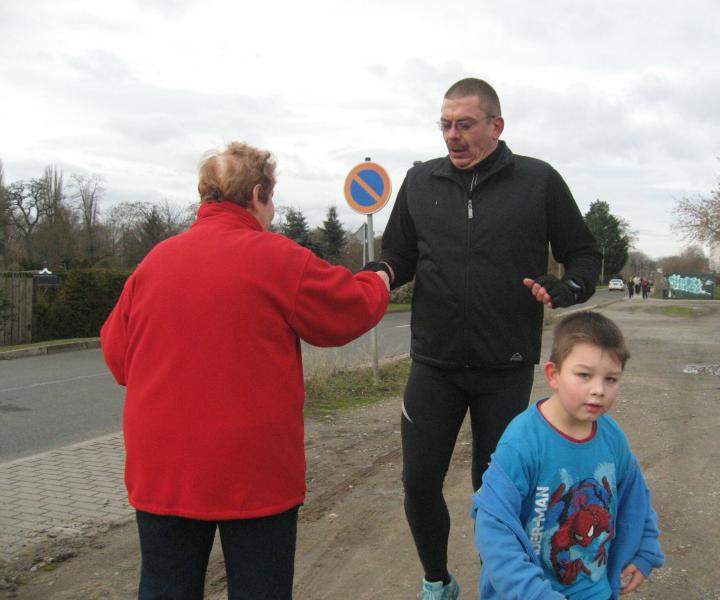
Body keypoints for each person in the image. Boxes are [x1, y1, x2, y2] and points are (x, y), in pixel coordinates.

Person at [100, 142, 390, 600]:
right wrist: (380, 276)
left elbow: (118, 359)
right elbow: (348, 309)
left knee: (165, 587)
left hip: (163, 469)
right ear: (257, 195)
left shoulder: (153, 263)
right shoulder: (276, 258)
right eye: (271, 200)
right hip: (253, 472)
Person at [366, 78, 601, 599]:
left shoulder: (538, 180)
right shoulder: (421, 181)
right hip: (435, 364)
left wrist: (567, 287)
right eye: (445, 125)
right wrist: (381, 274)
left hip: (505, 365)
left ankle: (499, 584)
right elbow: (399, 254)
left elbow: (585, 254)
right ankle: (437, 581)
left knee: (493, 488)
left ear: (496, 126)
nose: (452, 135)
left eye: (465, 125)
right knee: (418, 481)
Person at [472, 311, 664, 599]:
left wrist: (646, 549)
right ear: (554, 375)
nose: (598, 390)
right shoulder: (522, 441)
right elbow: (493, 527)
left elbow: (636, 498)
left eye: (611, 379)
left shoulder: (612, 436)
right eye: (584, 375)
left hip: (595, 591)